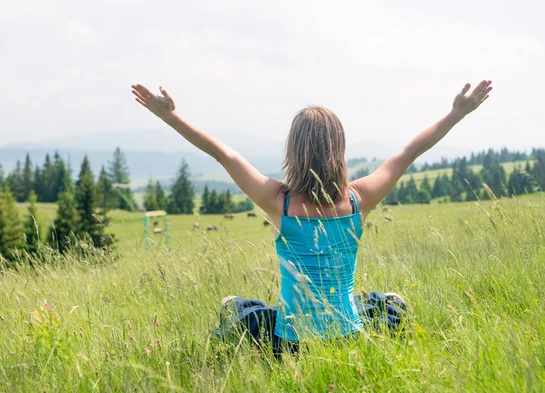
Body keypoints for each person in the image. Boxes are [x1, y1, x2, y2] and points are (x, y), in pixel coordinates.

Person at [131, 79, 493, 354]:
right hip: (349, 338)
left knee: (239, 311)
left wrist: (171, 116)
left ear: (294, 150)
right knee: (383, 304)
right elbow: (408, 152)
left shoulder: (279, 203)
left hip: (291, 346)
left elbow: (223, 155)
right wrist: (457, 113)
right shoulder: (358, 200)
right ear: (340, 149)